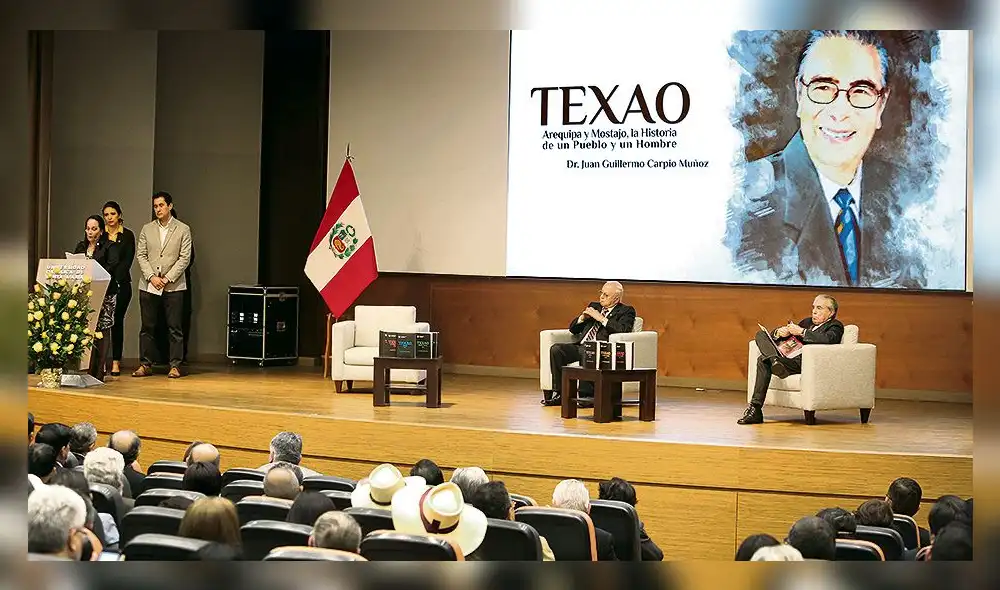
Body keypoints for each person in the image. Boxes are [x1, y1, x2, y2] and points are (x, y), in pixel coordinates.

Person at [727, 30, 924, 288]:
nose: (840, 112)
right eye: (823, 87)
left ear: (881, 105)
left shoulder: (917, 199)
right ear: (800, 94)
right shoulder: (742, 204)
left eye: (861, 90)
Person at [738, 294, 844, 424]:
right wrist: (781, 333)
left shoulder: (835, 326)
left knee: (762, 360)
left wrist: (802, 332)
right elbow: (790, 340)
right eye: (813, 307)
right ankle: (774, 361)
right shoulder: (806, 322)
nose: (814, 311)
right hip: (786, 357)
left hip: (803, 363)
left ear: (831, 312)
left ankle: (755, 408)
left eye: (819, 308)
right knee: (761, 335)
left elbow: (828, 340)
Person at [543, 281, 637, 407]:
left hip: (601, 349)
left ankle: (586, 396)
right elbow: (573, 329)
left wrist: (601, 319)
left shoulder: (626, 311)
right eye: (601, 293)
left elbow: (623, 330)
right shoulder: (594, 306)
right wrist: (582, 318)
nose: (601, 297)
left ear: (616, 298)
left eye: (606, 295)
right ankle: (560, 394)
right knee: (557, 349)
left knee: (588, 350)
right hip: (581, 346)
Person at [133, 191, 192, 379]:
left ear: (170, 206)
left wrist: (167, 279)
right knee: (147, 327)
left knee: (174, 327)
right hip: (149, 284)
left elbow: (185, 258)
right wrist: (151, 276)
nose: (158, 209)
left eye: (161, 205)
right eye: (155, 206)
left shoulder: (183, 229)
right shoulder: (147, 229)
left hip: (173, 286)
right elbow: (141, 255)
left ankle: (175, 365)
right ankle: (145, 364)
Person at [73, 214, 120, 381]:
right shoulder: (81, 246)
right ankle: (84, 370)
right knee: (86, 331)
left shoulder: (110, 246)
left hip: (105, 293)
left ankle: (98, 372)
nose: (90, 232)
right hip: (85, 294)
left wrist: (93, 269)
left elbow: (112, 267)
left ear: (101, 231)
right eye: (87, 229)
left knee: (102, 330)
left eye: (94, 229)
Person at [102, 201, 135, 377]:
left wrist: (113, 275)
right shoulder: (101, 235)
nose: (109, 218)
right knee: (101, 324)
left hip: (121, 284)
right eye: (106, 215)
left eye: (112, 214)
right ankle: (101, 362)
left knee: (117, 322)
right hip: (103, 284)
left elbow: (127, 261)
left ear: (119, 215)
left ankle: (116, 361)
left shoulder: (128, 235)